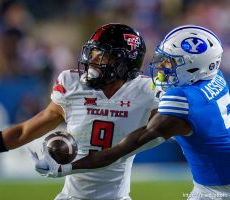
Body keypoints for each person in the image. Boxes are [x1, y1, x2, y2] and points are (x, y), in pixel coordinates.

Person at [0, 23, 162, 200]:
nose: (92, 60)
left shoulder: (146, 91)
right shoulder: (73, 84)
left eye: (102, 55)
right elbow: (25, 131)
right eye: (92, 53)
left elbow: (174, 124)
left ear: (125, 62)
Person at [33, 25, 230, 199]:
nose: (162, 66)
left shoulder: (183, 98)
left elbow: (120, 151)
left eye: (172, 62)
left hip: (219, 189)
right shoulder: (214, 77)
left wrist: (67, 168)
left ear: (195, 67)